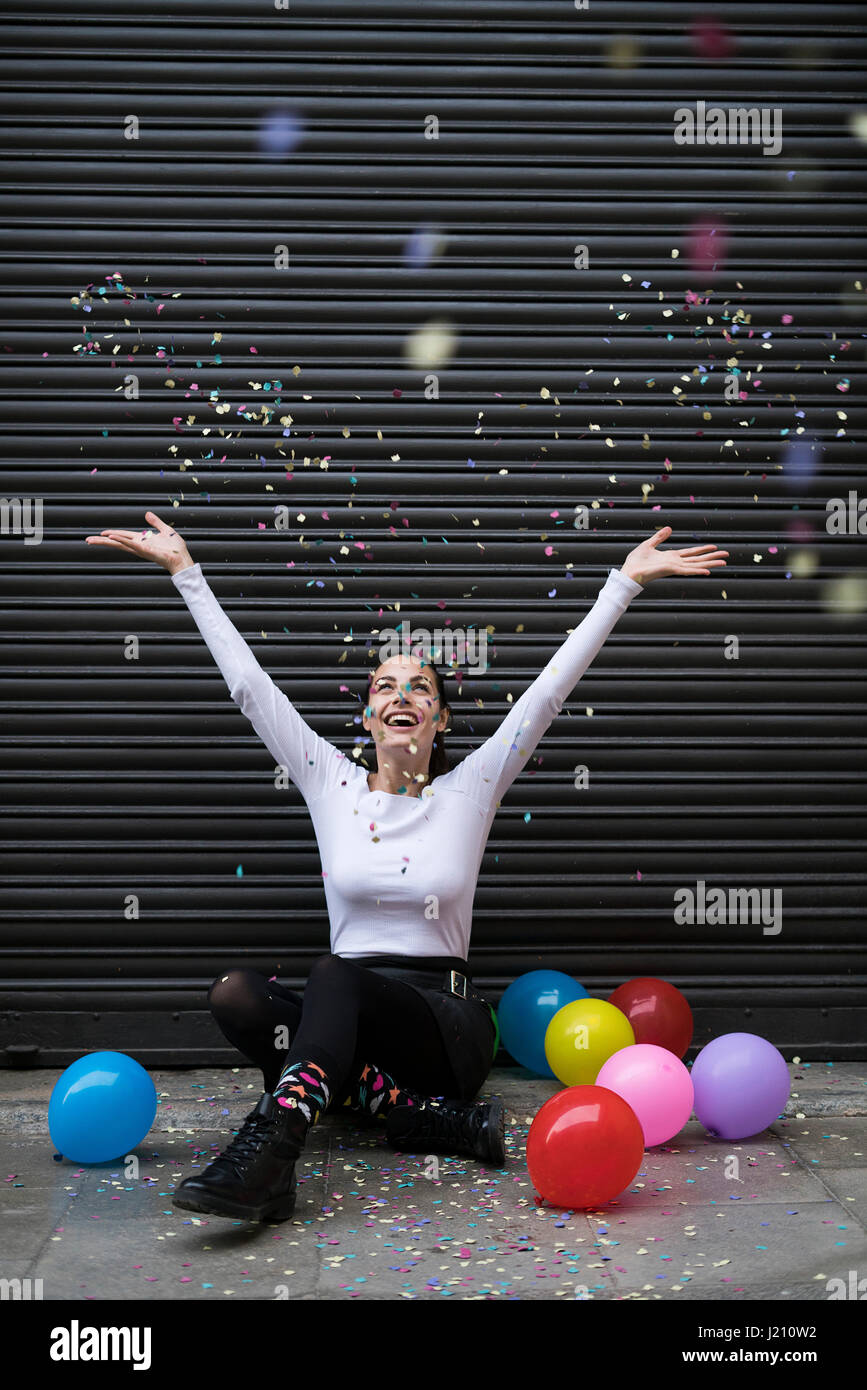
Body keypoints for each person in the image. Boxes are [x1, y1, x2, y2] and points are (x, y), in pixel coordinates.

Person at [85, 513, 727, 1222]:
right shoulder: (328, 783)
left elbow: (545, 696)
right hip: (353, 1022)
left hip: (442, 1027)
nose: (400, 697)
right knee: (237, 995)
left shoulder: (470, 790)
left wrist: (621, 586)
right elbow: (249, 688)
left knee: (332, 974)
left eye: (419, 688)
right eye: (384, 686)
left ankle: (271, 1158)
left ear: (440, 721)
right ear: (366, 716)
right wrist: (187, 574)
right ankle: (422, 1118)